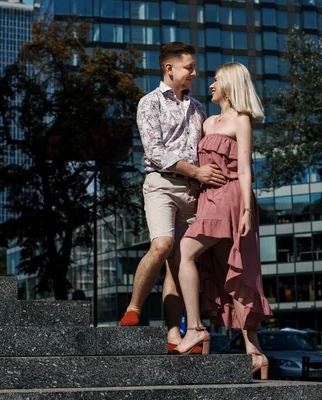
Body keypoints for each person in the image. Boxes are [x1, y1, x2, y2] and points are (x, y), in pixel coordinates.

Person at [120, 42, 227, 353]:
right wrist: (197, 172)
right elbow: (154, 153)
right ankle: (134, 307)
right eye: (189, 67)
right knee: (163, 245)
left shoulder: (198, 108)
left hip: (193, 191)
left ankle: (173, 335)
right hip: (162, 184)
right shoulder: (148, 103)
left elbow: (208, 147)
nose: (194, 72)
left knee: (181, 264)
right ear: (169, 69)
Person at [172, 62, 273, 380]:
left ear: (229, 84)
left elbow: (244, 169)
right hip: (208, 201)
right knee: (232, 271)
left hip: (231, 199)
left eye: (216, 80)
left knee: (186, 251)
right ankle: (254, 353)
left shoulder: (241, 120)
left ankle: (196, 329)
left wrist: (245, 212)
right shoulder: (207, 121)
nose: (211, 85)